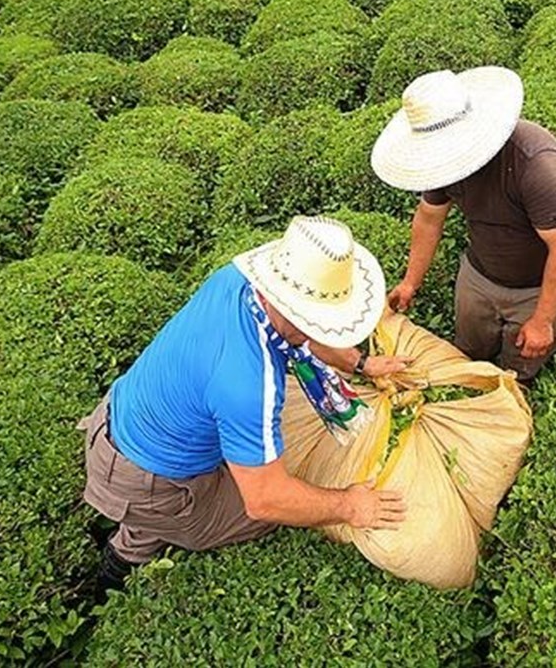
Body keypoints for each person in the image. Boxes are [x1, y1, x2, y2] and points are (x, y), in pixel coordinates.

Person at [78, 216, 410, 595]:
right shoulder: (249, 382)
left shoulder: (235, 281)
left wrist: (360, 364)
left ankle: (139, 529)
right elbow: (266, 501)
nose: (321, 329)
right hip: (147, 479)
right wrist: (351, 506)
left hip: (123, 417)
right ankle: (117, 570)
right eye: (319, 320)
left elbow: (303, 331)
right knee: (281, 509)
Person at [371, 66, 556, 385]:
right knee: (465, 354)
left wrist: (542, 320)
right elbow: (428, 218)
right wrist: (410, 282)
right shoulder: (442, 162)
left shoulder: (536, 165)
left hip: (535, 288)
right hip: (479, 276)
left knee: (515, 371)